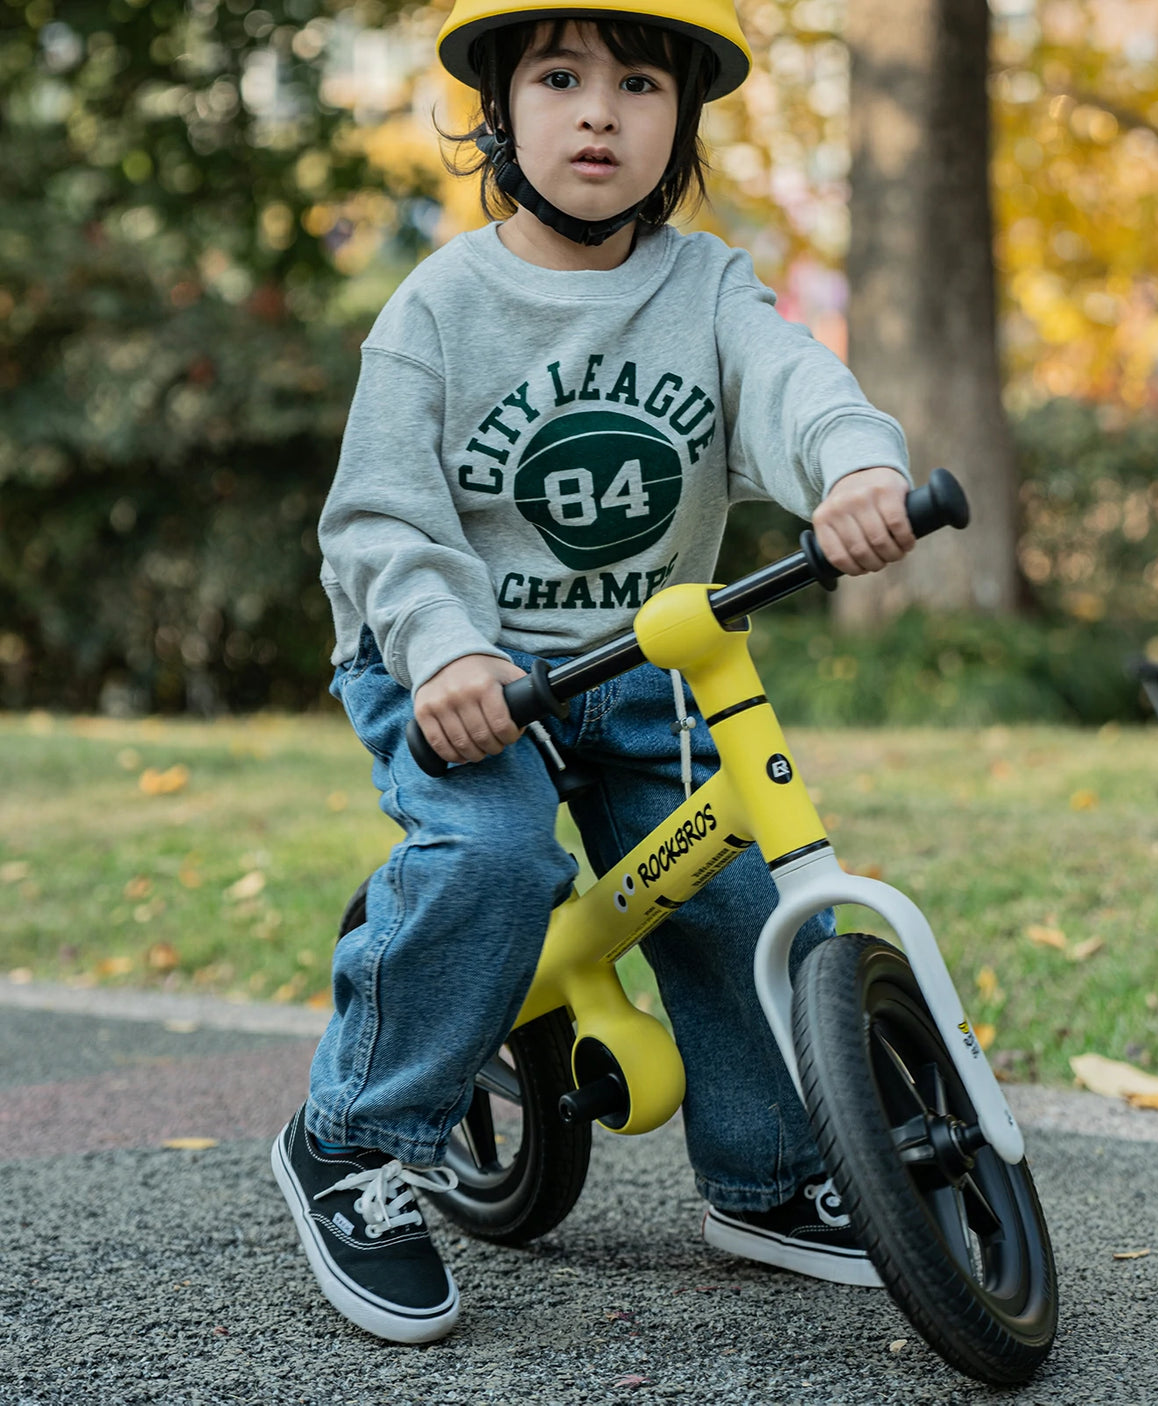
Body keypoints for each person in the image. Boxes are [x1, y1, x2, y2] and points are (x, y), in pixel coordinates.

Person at [272, 0, 917, 1344]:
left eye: (637, 83)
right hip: (448, 659)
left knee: (732, 885)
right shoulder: (441, 306)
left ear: (680, 120)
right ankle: (352, 1139)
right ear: (498, 112)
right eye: (558, 77)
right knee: (495, 858)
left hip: (635, 659)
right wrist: (445, 649)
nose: (599, 111)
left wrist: (853, 466)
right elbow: (381, 520)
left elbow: (790, 380)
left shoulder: (705, 286)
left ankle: (768, 1178)